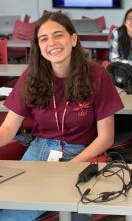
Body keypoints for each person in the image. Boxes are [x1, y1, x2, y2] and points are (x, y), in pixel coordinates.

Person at [0, 12, 124, 220]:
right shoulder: (30, 76)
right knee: (12, 210)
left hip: (81, 154)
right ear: (38, 46)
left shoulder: (96, 76)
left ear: (73, 39)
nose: (52, 43)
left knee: (74, 209)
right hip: (38, 153)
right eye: (44, 39)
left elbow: (106, 138)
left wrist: (69, 167)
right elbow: (8, 129)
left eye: (58, 35)